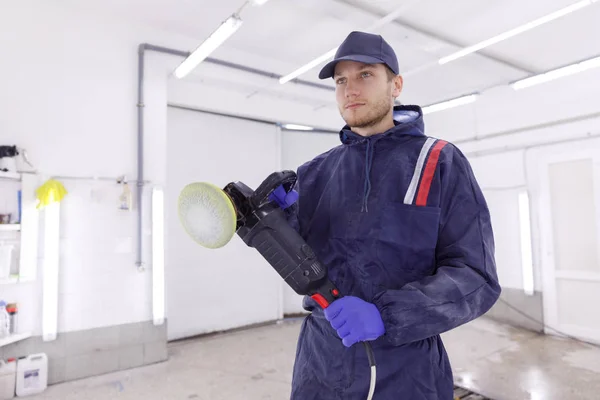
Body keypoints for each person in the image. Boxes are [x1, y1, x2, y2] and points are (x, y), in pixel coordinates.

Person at [273, 31, 501, 399]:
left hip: (406, 371)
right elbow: (301, 265)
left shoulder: (438, 162)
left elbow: (476, 278)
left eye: (365, 75)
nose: (350, 90)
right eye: (341, 81)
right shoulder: (313, 174)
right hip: (319, 367)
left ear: (396, 85)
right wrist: (273, 226)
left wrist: (388, 315)